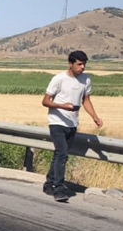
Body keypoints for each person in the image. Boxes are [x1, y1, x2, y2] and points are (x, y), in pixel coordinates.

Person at [42, 50, 103, 202]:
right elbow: (45, 101)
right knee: (62, 154)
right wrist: (63, 106)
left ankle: (49, 183)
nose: (82, 67)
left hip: (72, 123)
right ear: (70, 64)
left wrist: (95, 117)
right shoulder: (59, 79)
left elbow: (86, 100)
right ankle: (59, 188)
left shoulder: (86, 80)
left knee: (59, 154)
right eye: (79, 64)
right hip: (57, 121)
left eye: (84, 64)